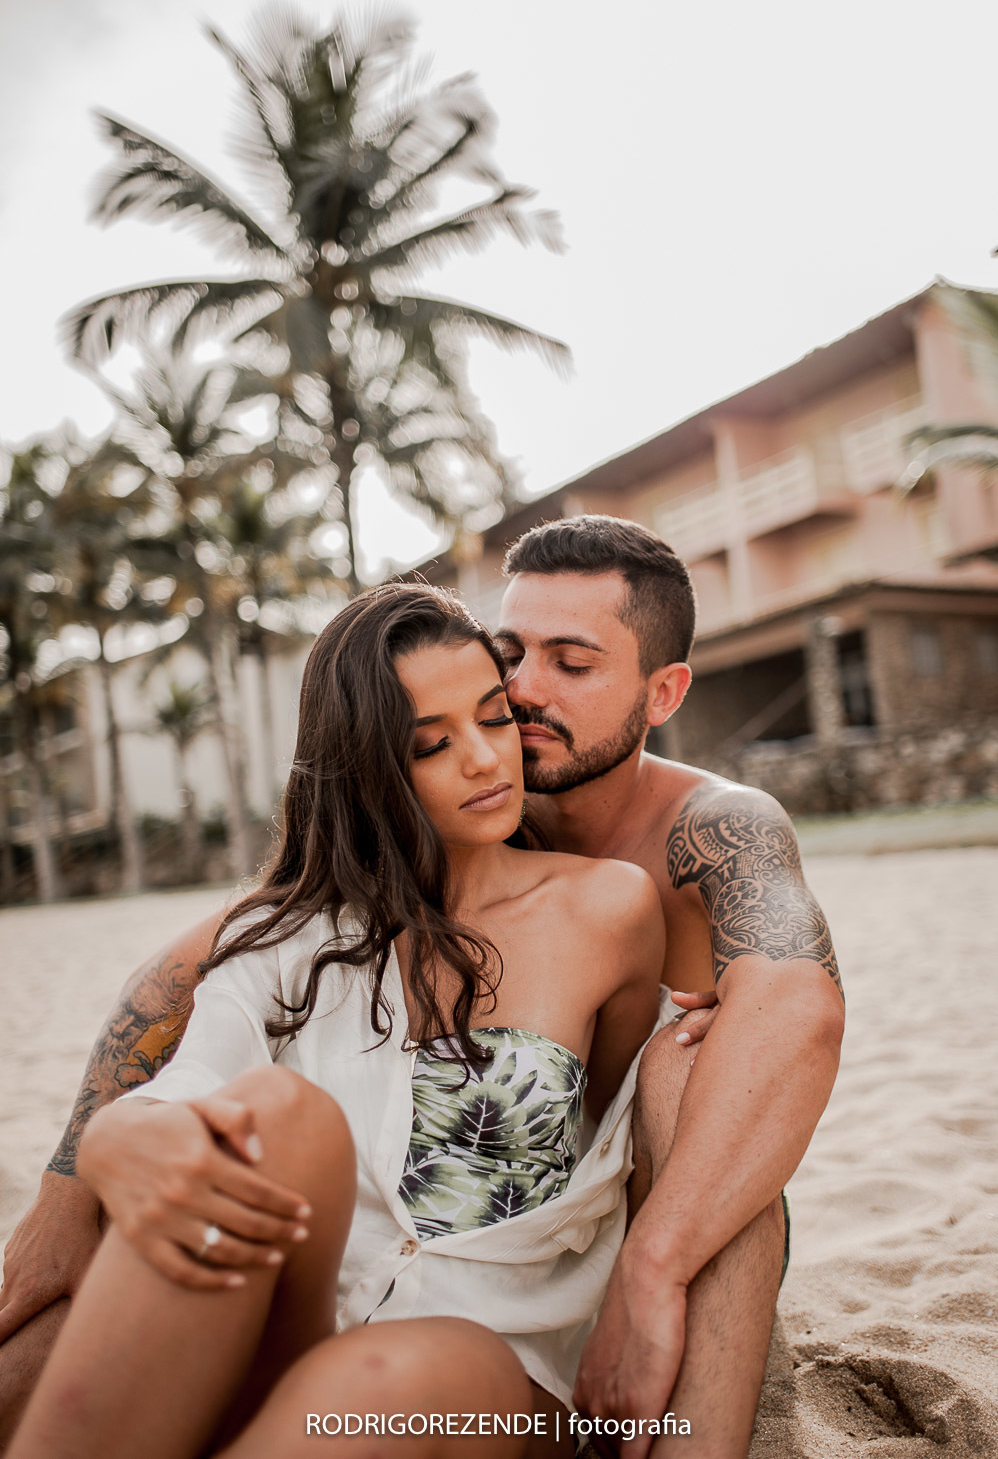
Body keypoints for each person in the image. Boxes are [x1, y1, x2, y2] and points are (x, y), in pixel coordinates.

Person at [0, 516, 845, 1459]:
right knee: (42, 1346)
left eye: (572, 662)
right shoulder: (333, 912)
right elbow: (177, 991)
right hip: (330, 1294)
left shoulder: (702, 838)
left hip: (551, 1310)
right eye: (512, 654)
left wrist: (652, 1264)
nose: (522, 697)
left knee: (695, 1077)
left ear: (663, 691)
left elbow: (790, 1013)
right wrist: (70, 1192)